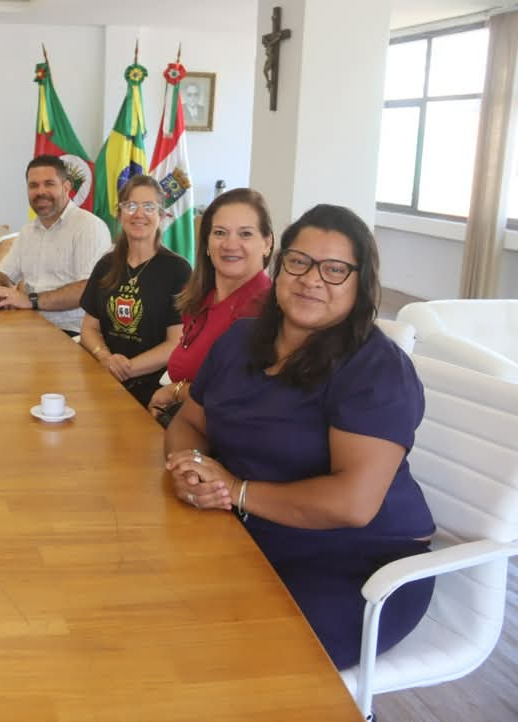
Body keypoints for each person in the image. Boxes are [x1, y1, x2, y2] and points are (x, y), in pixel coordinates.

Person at [164, 204, 434, 670]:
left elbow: (352, 503)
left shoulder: (376, 368)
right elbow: (189, 421)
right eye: (299, 262)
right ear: (279, 263)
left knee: (231, 662)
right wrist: (189, 467)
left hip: (357, 566)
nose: (312, 279)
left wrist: (235, 489)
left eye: (335, 270)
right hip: (246, 536)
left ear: (361, 282)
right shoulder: (241, 340)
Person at [147, 188, 274, 423]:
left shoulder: (265, 310)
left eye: (245, 234)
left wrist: (176, 392)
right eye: (219, 233)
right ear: (206, 242)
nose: (230, 244)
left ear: (267, 243)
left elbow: (241, 396)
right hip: (182, 426)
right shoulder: (198, 297)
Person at [79, 175, 190, 407]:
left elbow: (176, 343)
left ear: (162, 215)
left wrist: (126, 369)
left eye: (149, 207)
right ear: (119, 214)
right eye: (130, 205)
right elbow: (89, 327)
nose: (139, 214)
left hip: (153, 389)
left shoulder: (177, 270)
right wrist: (105, 358)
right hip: (103, 377)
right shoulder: (106, 265)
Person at [0, 155, 111, 335]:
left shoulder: (89, 227)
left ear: (66, 187)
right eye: (33, 185)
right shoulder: (28, 231)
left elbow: (86, 290)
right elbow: (4, 274)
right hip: (28, 323)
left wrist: (30, 300)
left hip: (73, 333)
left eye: (49, 184)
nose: (40, 191)